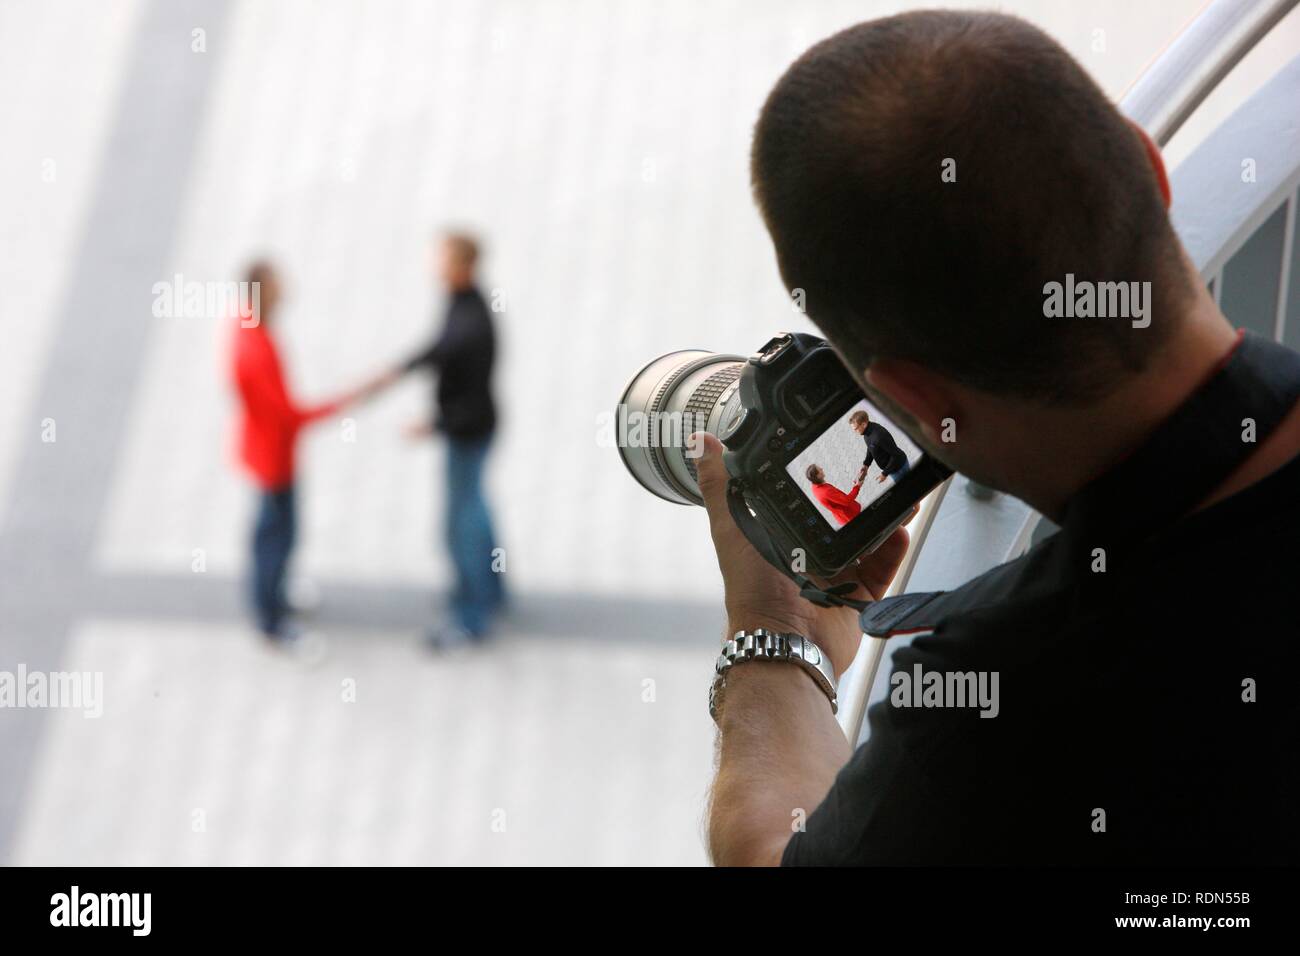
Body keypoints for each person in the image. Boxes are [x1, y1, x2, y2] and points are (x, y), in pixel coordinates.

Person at [697, 11, 1300, 865]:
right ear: (1151, 168)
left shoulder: (1009, 701)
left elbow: (771, 853)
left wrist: (769, 630)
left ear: (910, 394)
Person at [229, 260, 380, 650]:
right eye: (278, 285)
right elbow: (288, 416)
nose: (286, 290)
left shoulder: (248, 327)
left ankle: (274, 594)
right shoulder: (256, 350)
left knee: (275, 532)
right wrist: (345, 401)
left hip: (264, 448)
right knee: (276, 535)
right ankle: (271, 620)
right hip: (273, 458)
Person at [397, 232, 504, 648]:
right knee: (475, 510)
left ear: (462, 265)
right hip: (473, 429)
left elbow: (465, 384)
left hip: (468, 431)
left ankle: (470, 616)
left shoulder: (471, 323)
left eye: (442, 258)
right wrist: (401, 368)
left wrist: (435, 425)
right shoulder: (464, 302)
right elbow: (440, 350)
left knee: (461, 526)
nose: (434, 264)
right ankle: (492, 593)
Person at [849, 409, 909, 485]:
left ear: (864, 424)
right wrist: (866, 465)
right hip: (892, 469)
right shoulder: (867, 433)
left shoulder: (879, 436)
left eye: (856, 429)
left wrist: (884, 473)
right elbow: (871, 447)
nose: (855, 432)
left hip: (899, 468)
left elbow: (896, 455)